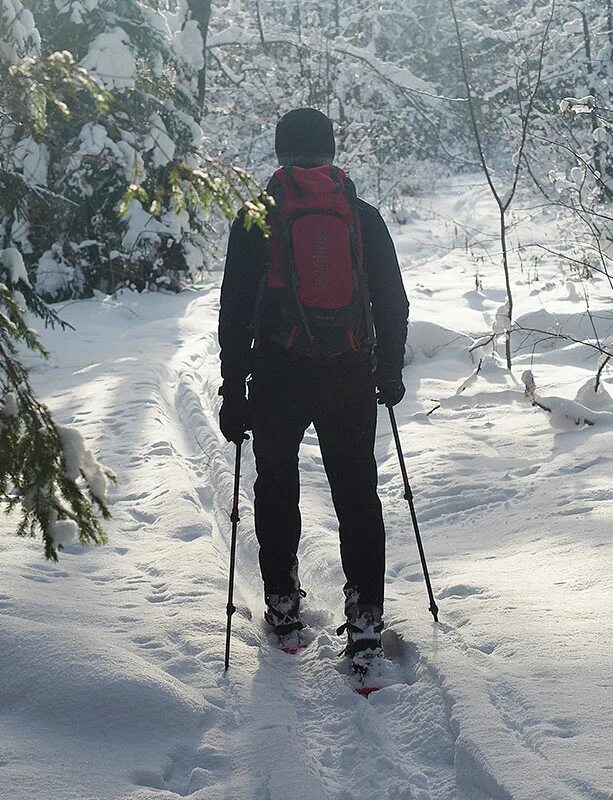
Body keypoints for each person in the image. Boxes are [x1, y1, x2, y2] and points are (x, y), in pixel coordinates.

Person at [217, 107, 409, 670]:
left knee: (277, 488)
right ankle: (367, 618)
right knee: (357, 496)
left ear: (280, 153)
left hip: (279, 374)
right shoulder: (361, 214)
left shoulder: (256, 218)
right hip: (349, 372)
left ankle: (281, 605)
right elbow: (392, 299)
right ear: (331, 151)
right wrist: (389, 370)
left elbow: (234, 311)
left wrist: (234, 389)